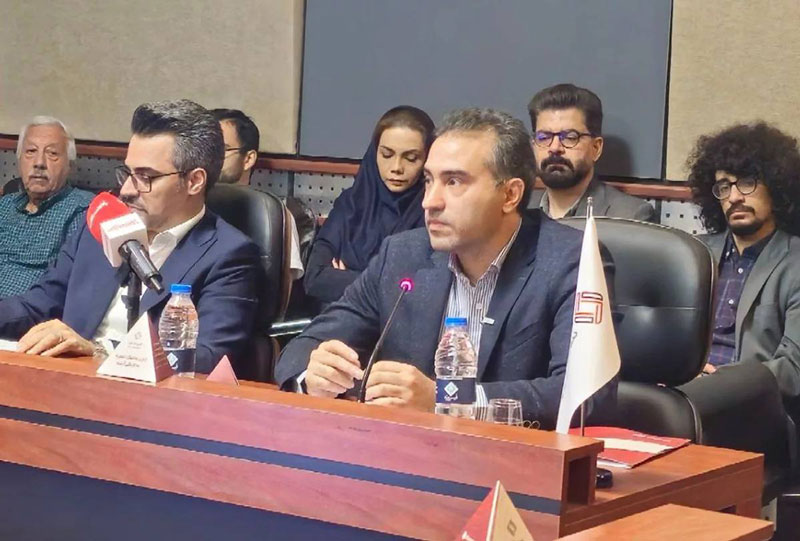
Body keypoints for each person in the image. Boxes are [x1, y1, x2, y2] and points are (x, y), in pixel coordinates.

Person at [276, 108, 616, 428]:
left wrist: (448, 399)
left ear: (510, 195)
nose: (430, 201)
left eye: (453, 182)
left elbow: (587, 397)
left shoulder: (571, 260)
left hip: (514, 460)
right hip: (408, 453)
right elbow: (301, 349)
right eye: (428, 180)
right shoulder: (403, 254)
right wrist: (314, 375)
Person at [0, 99, 262, 374]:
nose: (126, 190)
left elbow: (209, 356)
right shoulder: (100, 226)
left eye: (145, 177)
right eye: (127, 172)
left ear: (194, 181)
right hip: (65, 383)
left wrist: (100, 352)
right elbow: (37, 304)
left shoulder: (230, 255)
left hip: (148, 397)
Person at [687, 122, 800, 416]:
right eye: (724, 186)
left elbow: (793, 369)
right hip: (681, 396)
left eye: (747, 182)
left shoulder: (795, 263)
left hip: (754, 411)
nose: (734, 197)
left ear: (777, 186)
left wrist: (720, 385)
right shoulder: (692, 253)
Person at [303, 106, 435, 305]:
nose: (396, 168)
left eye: (411, 158)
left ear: (427, 159)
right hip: (337, 319)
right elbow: (315, 279)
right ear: (374, 153)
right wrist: (383, 285)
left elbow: (419, 293)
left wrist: (347, 279)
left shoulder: (434, 214)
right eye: (387, 155)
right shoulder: (350, 203)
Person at [527, 84, 655, 221]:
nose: (555, 147)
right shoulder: (520, 209)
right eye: (544, 137)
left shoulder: (629, 216)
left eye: (570, 137)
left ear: (596, 148)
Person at [0, 117, 93, 298]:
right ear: (19, 160)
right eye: (31, 151)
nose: (39, 163)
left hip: (28, 312)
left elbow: (68, 288)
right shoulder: (4, 205)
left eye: (52, 153)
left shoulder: (82, 211)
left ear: (70, 165)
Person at [211, 107, 304, 280]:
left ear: (248, 159)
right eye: (206, 149)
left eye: (221, 149)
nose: (210, 158)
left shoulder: (272, 215)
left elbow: (282, 287)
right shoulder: (188, 205)